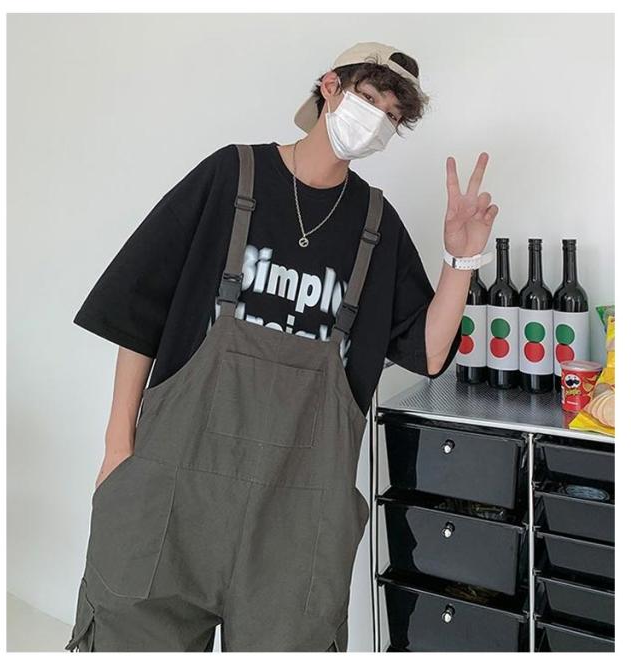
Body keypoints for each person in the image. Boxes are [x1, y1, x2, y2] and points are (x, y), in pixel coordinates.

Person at [65, 41, 498, 653]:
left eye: (393, 116)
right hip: (172, 496)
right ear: (330, 86)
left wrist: (460, 260)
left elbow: (428, 354)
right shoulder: (231, 175)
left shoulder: (376, 224)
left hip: (297, 521)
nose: (377, 120)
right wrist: (118, 448)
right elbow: (139, 310)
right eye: (370, 98)